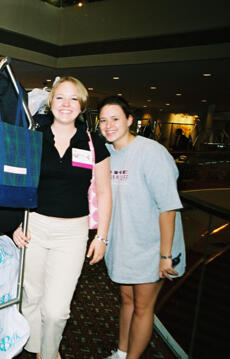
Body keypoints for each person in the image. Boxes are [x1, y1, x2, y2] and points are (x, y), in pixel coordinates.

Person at [12, 77, 112, 359]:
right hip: (34, 226)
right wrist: (14, 224)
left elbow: (104, 193)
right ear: (50, 101)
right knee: (30, 297)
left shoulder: (93, 142)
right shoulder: (33, 135)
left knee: (56, 310)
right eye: (60, 98)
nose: (66, 104)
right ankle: (37, 351)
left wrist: (102, 237)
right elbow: (16, 183)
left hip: (73, 233)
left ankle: (50, 350)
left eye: (73, 99)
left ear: (81, 105)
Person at [98, 96, 186, 359]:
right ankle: (122, 352)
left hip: (153, 247)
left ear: (129, 120)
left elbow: (168, 207)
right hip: (125, 244)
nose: (109, 125)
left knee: (142, 307)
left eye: (115, 118)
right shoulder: (107, 153)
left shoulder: (152, 152)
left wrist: (165, 256)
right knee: (127, 301)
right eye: (103, 120)